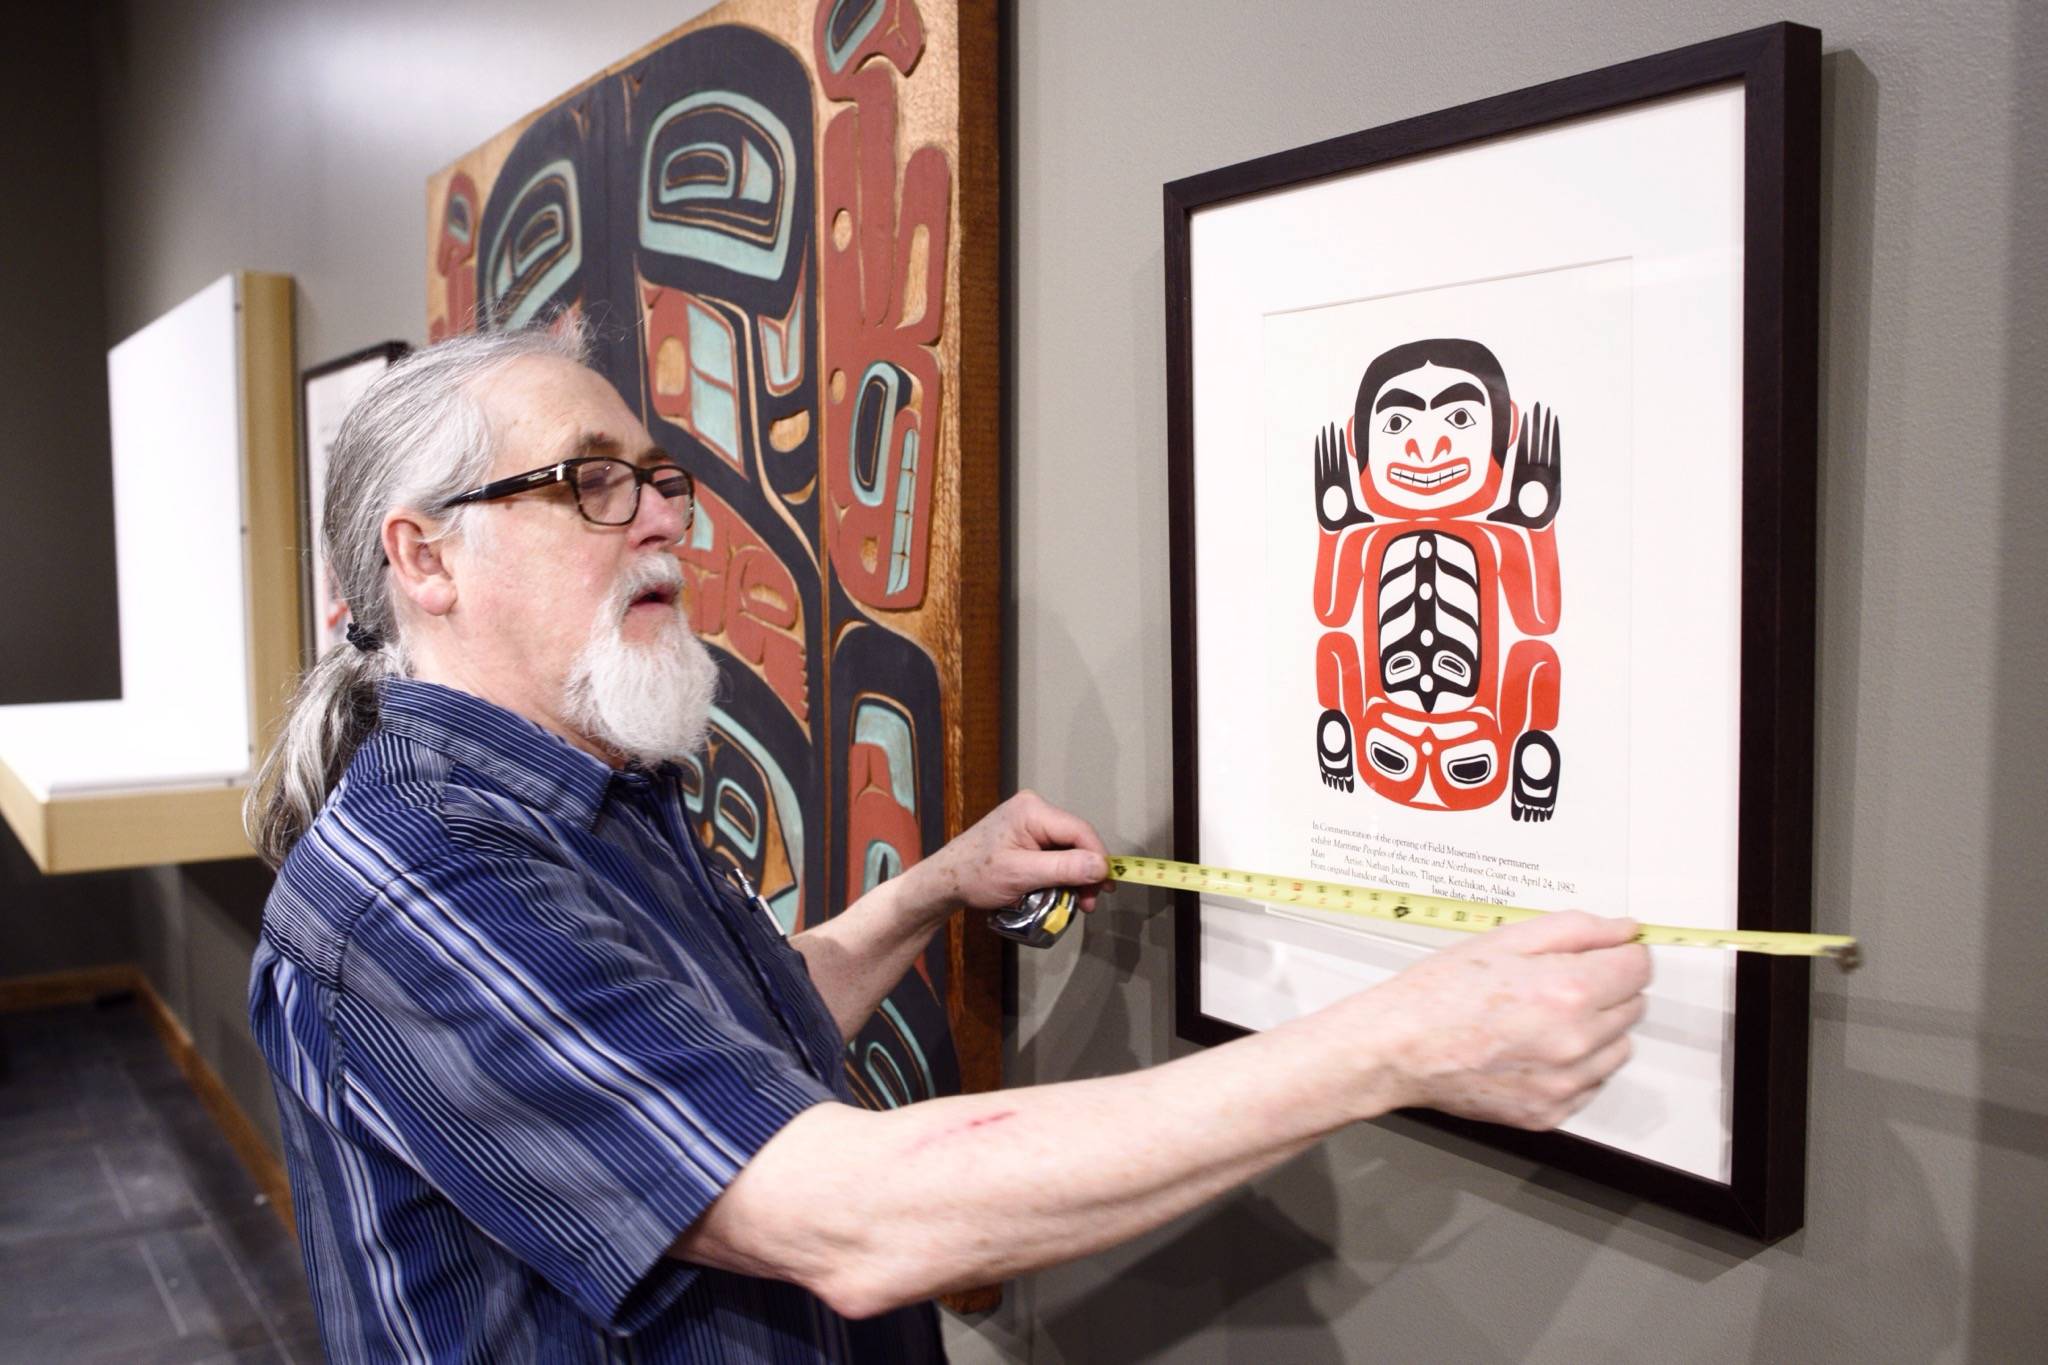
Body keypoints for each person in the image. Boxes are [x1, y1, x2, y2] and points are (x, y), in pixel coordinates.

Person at [246, 327, 1651, 1364]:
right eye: (593, 482)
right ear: (423, 558)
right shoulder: (416, 883)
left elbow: (735, 1038)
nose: (666, 512)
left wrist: (935, 887)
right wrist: (1393, 1043)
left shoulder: (604, 784)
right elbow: (845, 1210)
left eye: (660, 474)